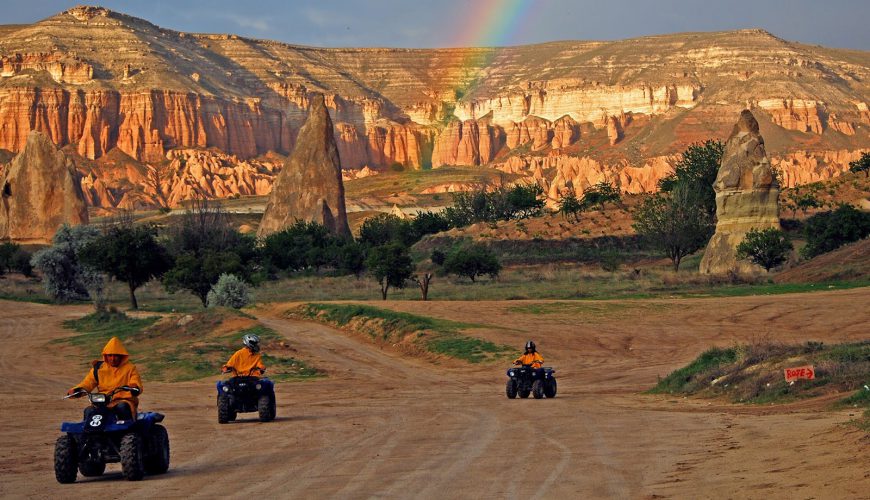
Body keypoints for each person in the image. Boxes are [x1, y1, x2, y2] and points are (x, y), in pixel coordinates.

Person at [67, 336, 142, 421]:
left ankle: (129, 431)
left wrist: (134, 387)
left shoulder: (130, 368)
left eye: (116, 356)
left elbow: (135, 381)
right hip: (103, 400)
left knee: (122, 407)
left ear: (121, 356)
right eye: (110, 355)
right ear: (105, 356)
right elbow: (88, 383)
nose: (113, 359)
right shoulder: (99, 368)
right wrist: (76, 390)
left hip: (124, 400)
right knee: (89, 411)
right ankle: (87, 432)